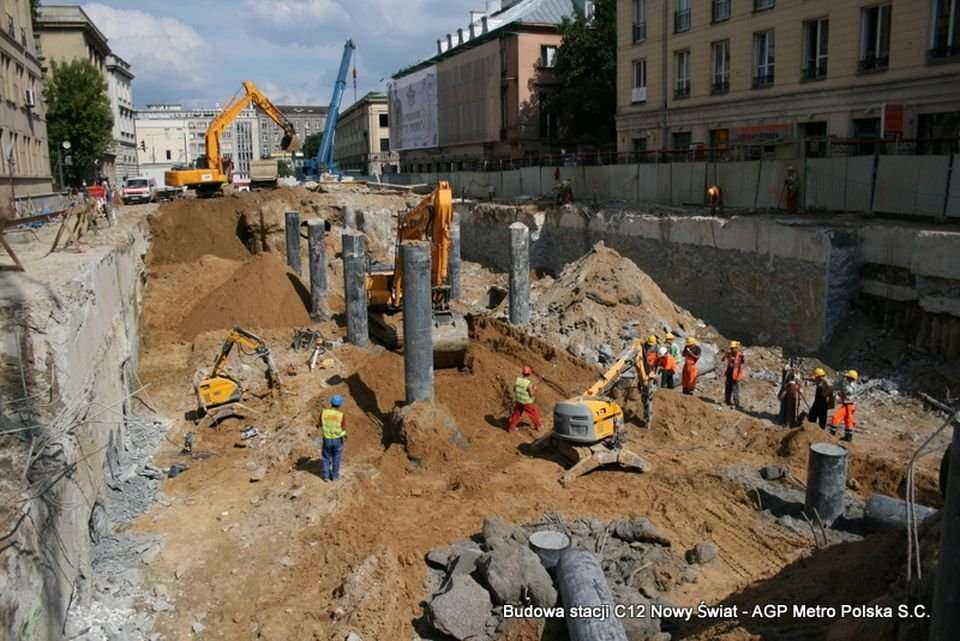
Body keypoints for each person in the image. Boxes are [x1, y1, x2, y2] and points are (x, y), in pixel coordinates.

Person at [320, 395, 347, 481]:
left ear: (331, 403)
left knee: (326, 457)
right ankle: (335, 476)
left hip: (327, 438)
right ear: (339, 405)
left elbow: (320, 423)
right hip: (337, 439)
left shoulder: (323, 412)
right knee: (336, 457)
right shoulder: (341, 415)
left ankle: (326, 476)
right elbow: (343, 427)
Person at [508, 366, 542, 432]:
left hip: (519, 401)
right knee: (533, 414)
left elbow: (514, 389)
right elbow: (531, 394)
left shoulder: (517, 380)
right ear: (529, 374)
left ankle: (511, 428)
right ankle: (538, 426)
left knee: (516, 414)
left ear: (522, 373)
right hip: (527, 402)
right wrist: (534, 389)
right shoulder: (528, 383)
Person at [830, 370, 860, 442]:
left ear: (851, 378)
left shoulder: (850, 386)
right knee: (848, 420)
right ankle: (848, 437)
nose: (847, 378)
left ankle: (832, 434)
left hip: (849, 404)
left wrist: (841, 394)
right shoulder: (851, 384)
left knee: (837, 417)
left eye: (848, 377)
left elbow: (846, 391)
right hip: (849, 404)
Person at [635, 349, 656, 427]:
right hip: (645, 392)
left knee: (648, 407)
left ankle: (648, 423)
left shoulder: (651, 377)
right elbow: (641, 380)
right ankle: (646, 421)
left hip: (648, 394)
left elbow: (651, 388)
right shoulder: (646, 374)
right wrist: (640, 386)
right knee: (645, 406)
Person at [723, 341, 746, 408]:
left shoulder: (740, 355)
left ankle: (736, 403)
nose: (732, 350)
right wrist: (725, 355)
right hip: (729, 373)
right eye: (731, 348)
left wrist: (741, 358)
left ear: (736, 348)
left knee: (735, 388)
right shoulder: (729, 354)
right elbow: (723, 359)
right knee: (728, 388)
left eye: (733, 348)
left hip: (735, 374)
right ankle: (727, 401)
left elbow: (742, 363)